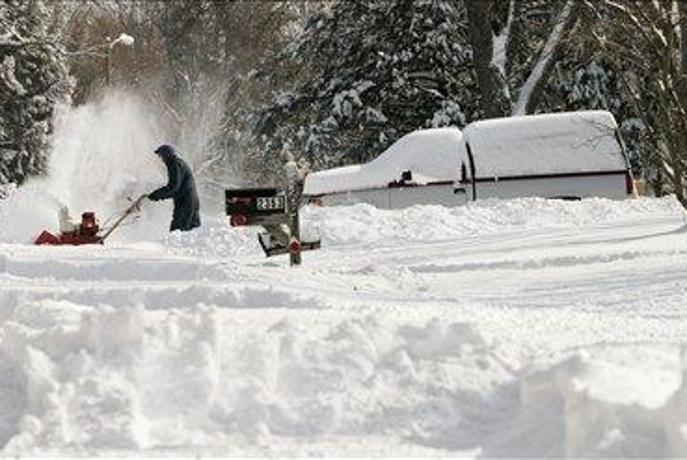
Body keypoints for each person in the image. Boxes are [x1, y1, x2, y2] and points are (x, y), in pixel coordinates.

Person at [148, 144, 201, 231]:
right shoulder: (178, 163)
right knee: (192, 232)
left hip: (185, 202)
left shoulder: (175, 164)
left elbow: (173, 187)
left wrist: (156, 195)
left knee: (178, 231)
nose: (161, 159)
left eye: (161, 156)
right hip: (190, 200)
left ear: (167, 155)